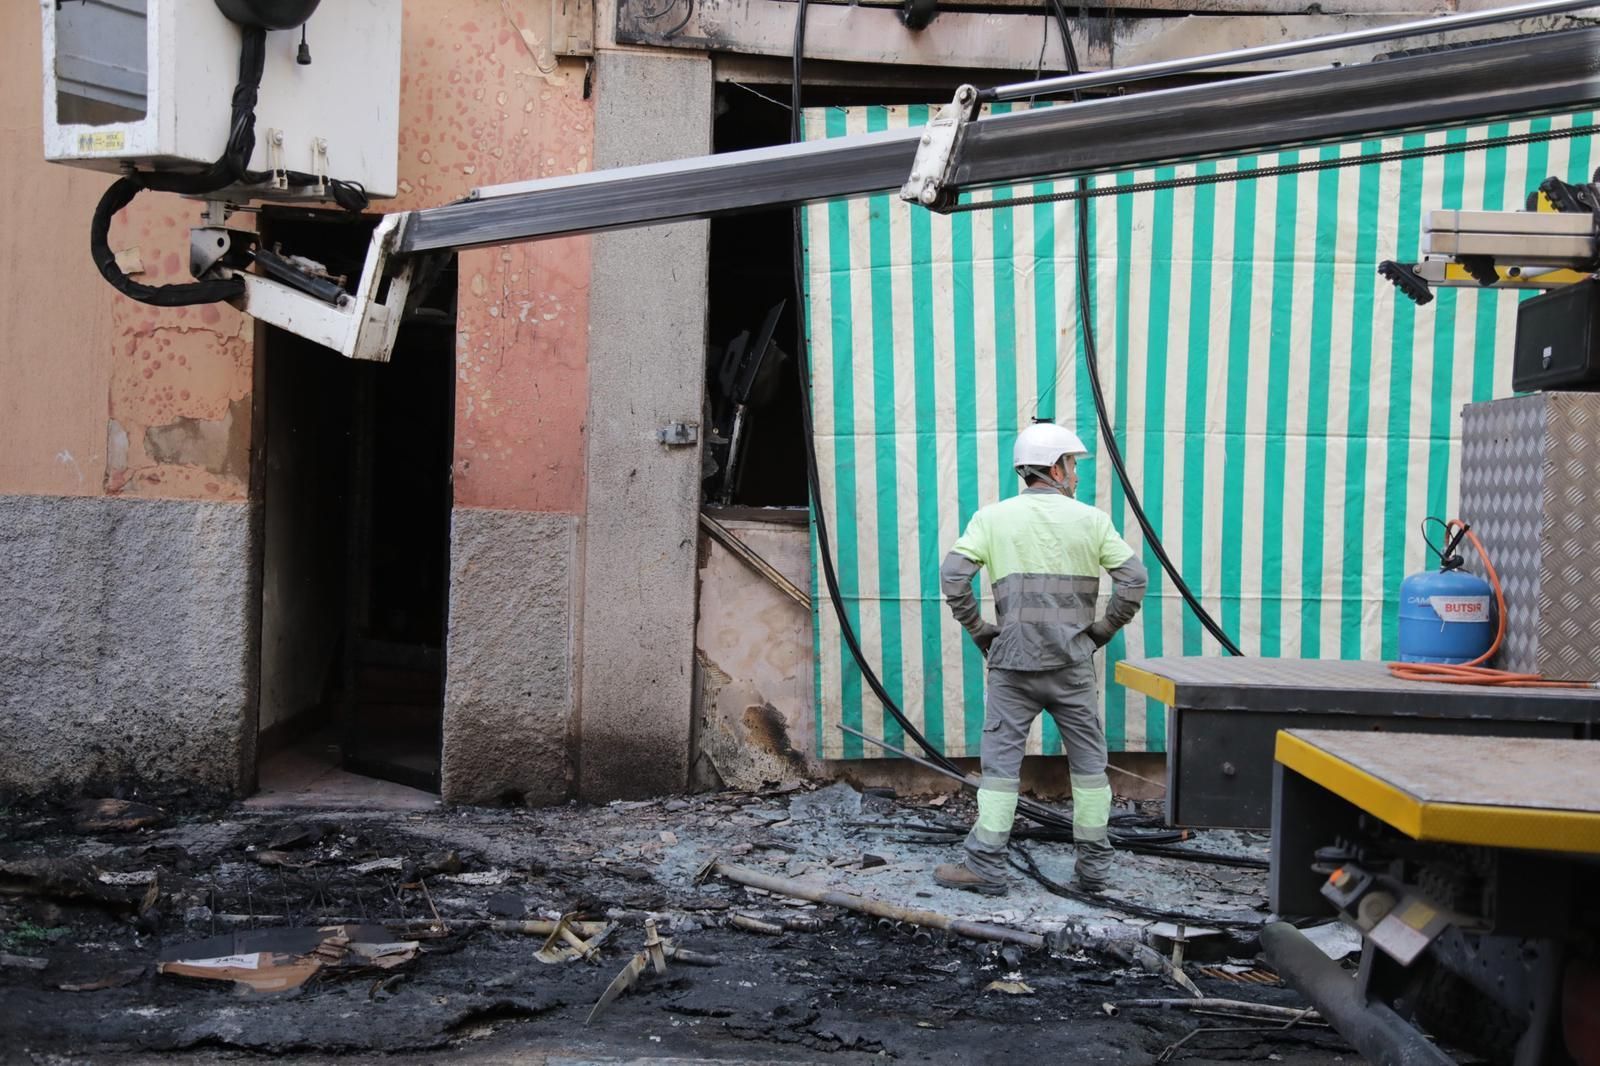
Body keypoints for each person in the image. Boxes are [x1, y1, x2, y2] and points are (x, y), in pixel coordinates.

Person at [932, 421, 1147, 896]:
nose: (1076, 475)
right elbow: (1133, 581)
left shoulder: (992, 518)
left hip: (1012, 664)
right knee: (1090, 768)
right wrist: (1100, 632)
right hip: (1071, 663)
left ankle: (986, 867)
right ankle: (1093, 872)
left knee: (1001, 769)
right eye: (1072, 465)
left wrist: (980, 629)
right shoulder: (1091, 520)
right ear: (1054, 467)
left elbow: (952, 577)